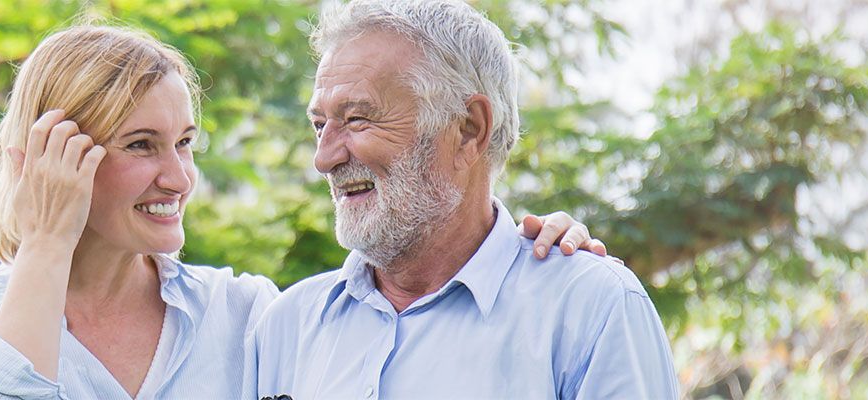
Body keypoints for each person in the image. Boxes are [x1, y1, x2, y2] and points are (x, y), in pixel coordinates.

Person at [0, 25, 611, 400]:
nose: (178, 176)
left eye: (184, 143)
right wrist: (47, 244)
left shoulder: (248, 317)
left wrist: (508, 246)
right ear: (52, 156)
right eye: (142, 145)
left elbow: (398, 296)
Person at [251, 1, 677, 398]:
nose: (323, 158)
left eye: (357, 119)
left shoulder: (591, 308)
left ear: (470, 129)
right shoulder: (286, 327)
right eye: (319, 124)